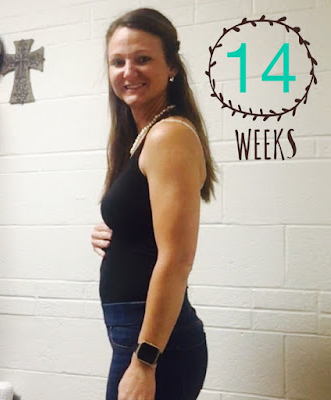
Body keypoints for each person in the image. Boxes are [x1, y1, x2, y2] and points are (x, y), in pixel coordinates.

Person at [90, 8, 218, 400]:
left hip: (155, 345)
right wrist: (115, 235)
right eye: (118, 61)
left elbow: (177, 259)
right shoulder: (143, 136)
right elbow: (148, 229)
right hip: (137, 332)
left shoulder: (168, 135)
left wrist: (145, 361)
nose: (128, 71)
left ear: (172, 67)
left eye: (143, 58)